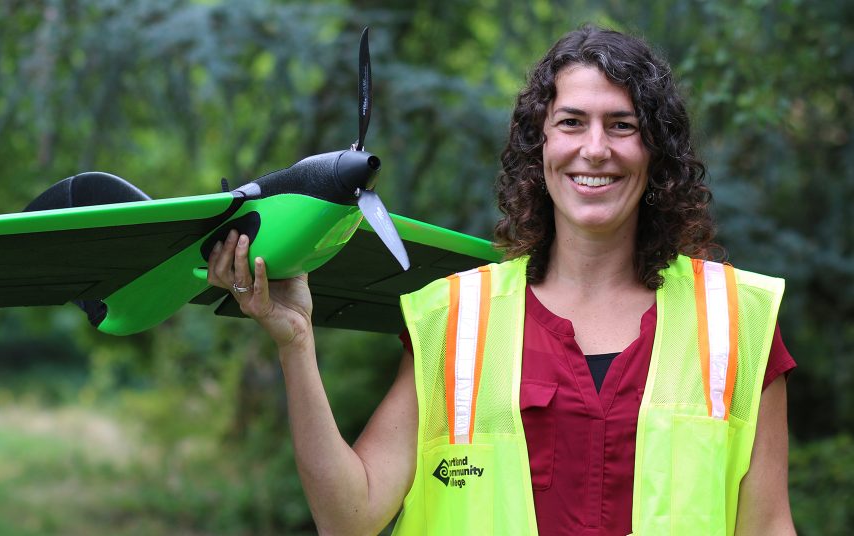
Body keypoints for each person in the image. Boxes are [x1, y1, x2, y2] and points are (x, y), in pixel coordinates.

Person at [206, 25, 796, 536]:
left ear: (656, 151)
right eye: (571, 122)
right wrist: (296, 344)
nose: (595, 149)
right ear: (540, 145)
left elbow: (769, 525)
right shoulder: (456, 322)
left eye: (622, 125)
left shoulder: (735, 322)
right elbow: (348, 518)